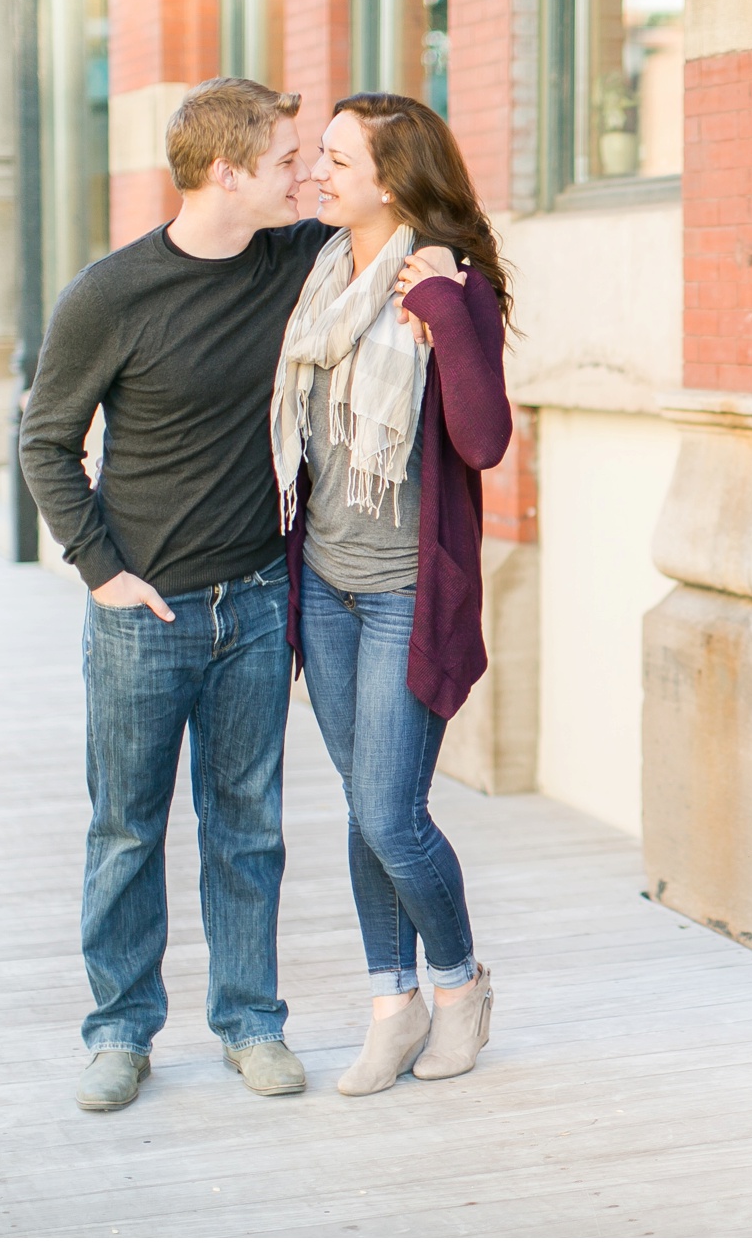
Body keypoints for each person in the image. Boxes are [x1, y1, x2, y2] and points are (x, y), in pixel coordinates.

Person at [21, 78, 343, 1111]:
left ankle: (251, 1021)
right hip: (142, 616)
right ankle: (120, 1029)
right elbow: (45, 440)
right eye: (288, 159)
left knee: (249, 826)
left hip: (253, 602)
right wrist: (102, 572)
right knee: (125, 828)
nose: (305, 175)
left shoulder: (294, 258)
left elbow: (397, 221)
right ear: (226, 172)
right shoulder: (112, 294)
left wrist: (435, 262)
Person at [270, 92, 512, 1096]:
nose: (316, 173)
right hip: (324, 588)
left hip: (407, 591)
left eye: (334, 159)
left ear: (391, 178)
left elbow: (484, 441)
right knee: (367, 808)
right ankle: (390, 1002)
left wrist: (448, 313)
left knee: (388, 810)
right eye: (319, 156)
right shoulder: (317, 278)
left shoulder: (448, 290)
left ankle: (457, 988)